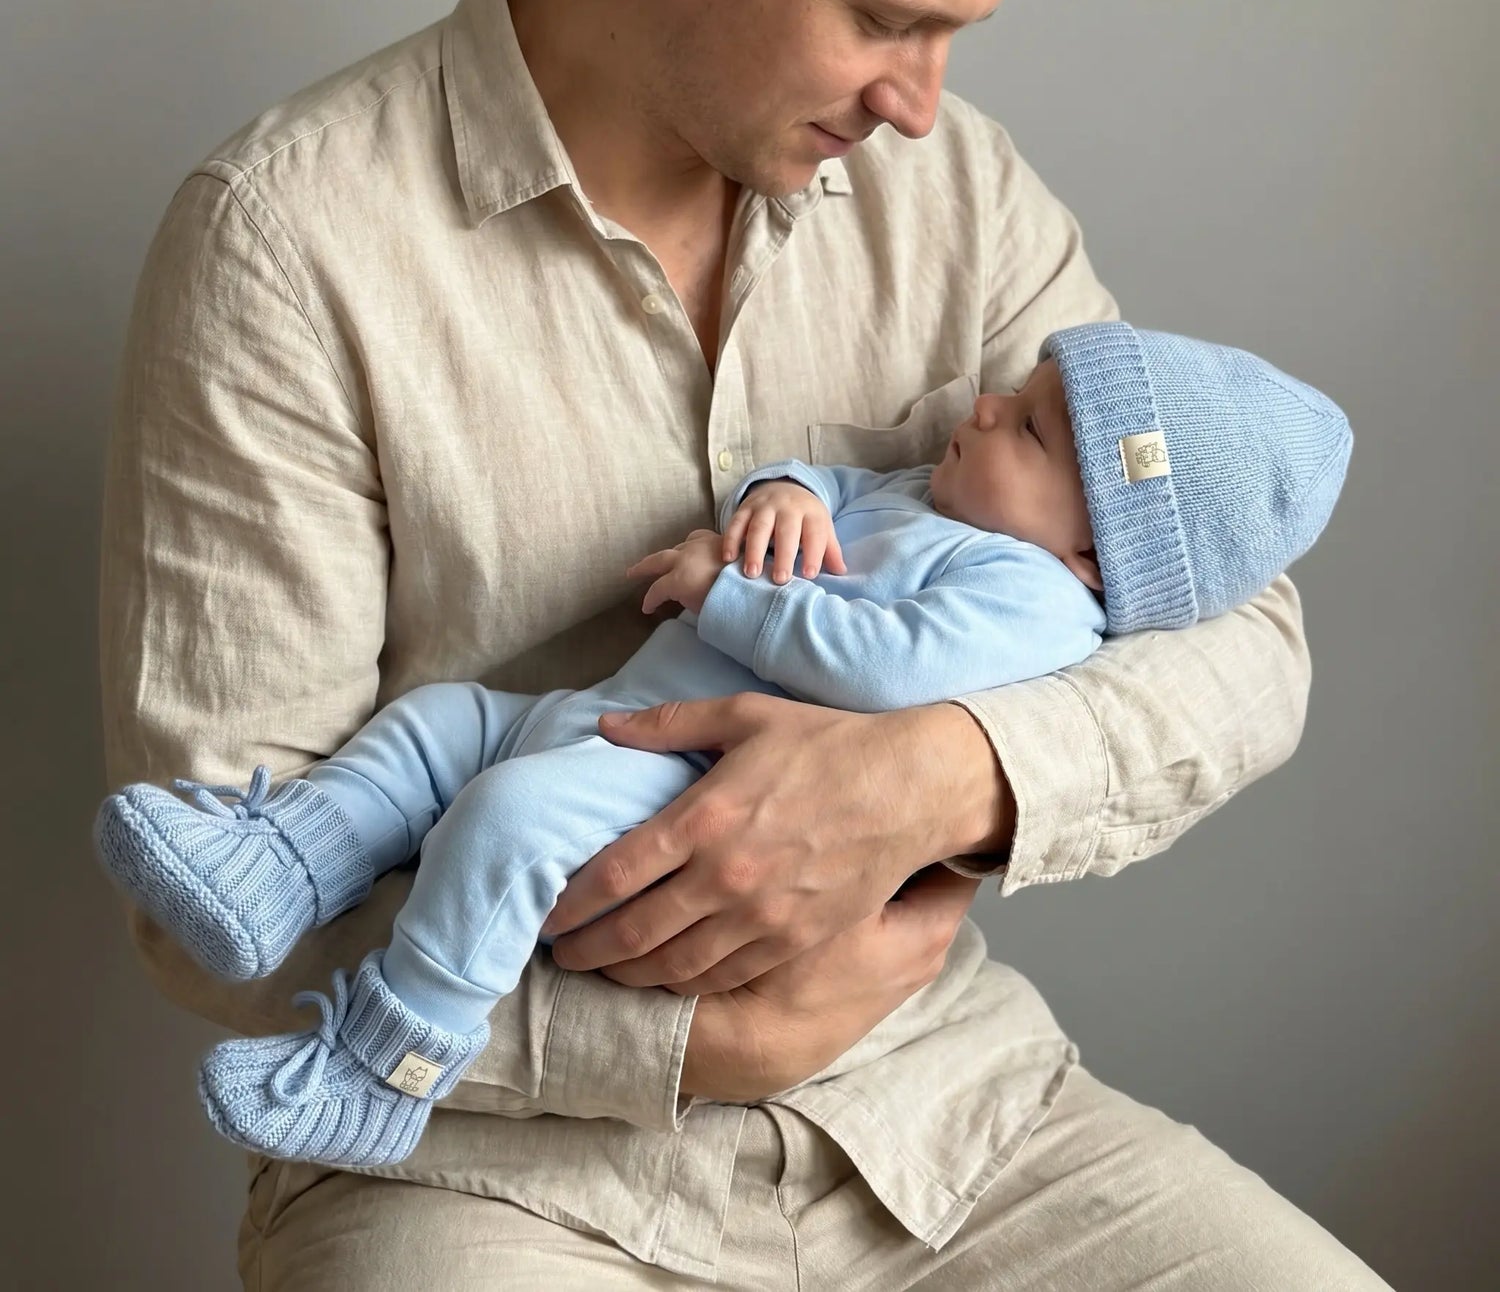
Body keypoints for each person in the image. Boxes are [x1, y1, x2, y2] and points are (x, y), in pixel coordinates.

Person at [97, 0, 1393, 1286]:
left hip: (940, 1119)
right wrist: (717, 1036)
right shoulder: (286, 242)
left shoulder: (958, 191)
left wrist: (943, 774)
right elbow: (210, 918)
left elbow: (1243, 634)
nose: (919, 98)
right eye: (887, 18)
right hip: (482, 1172)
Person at [95, 322, 1353, 1169]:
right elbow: (824, 486)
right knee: (436, 728)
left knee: (504, 828)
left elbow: (886, 667)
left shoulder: (1029, 599)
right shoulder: (932, 492)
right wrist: (785, 497)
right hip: (599, 713)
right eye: (1017, 392)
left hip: (680, 778)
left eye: (1026, 429)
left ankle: (387, 1063)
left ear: (1097, 555)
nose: (984, 406)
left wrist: (729, 593)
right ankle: (284, 864)